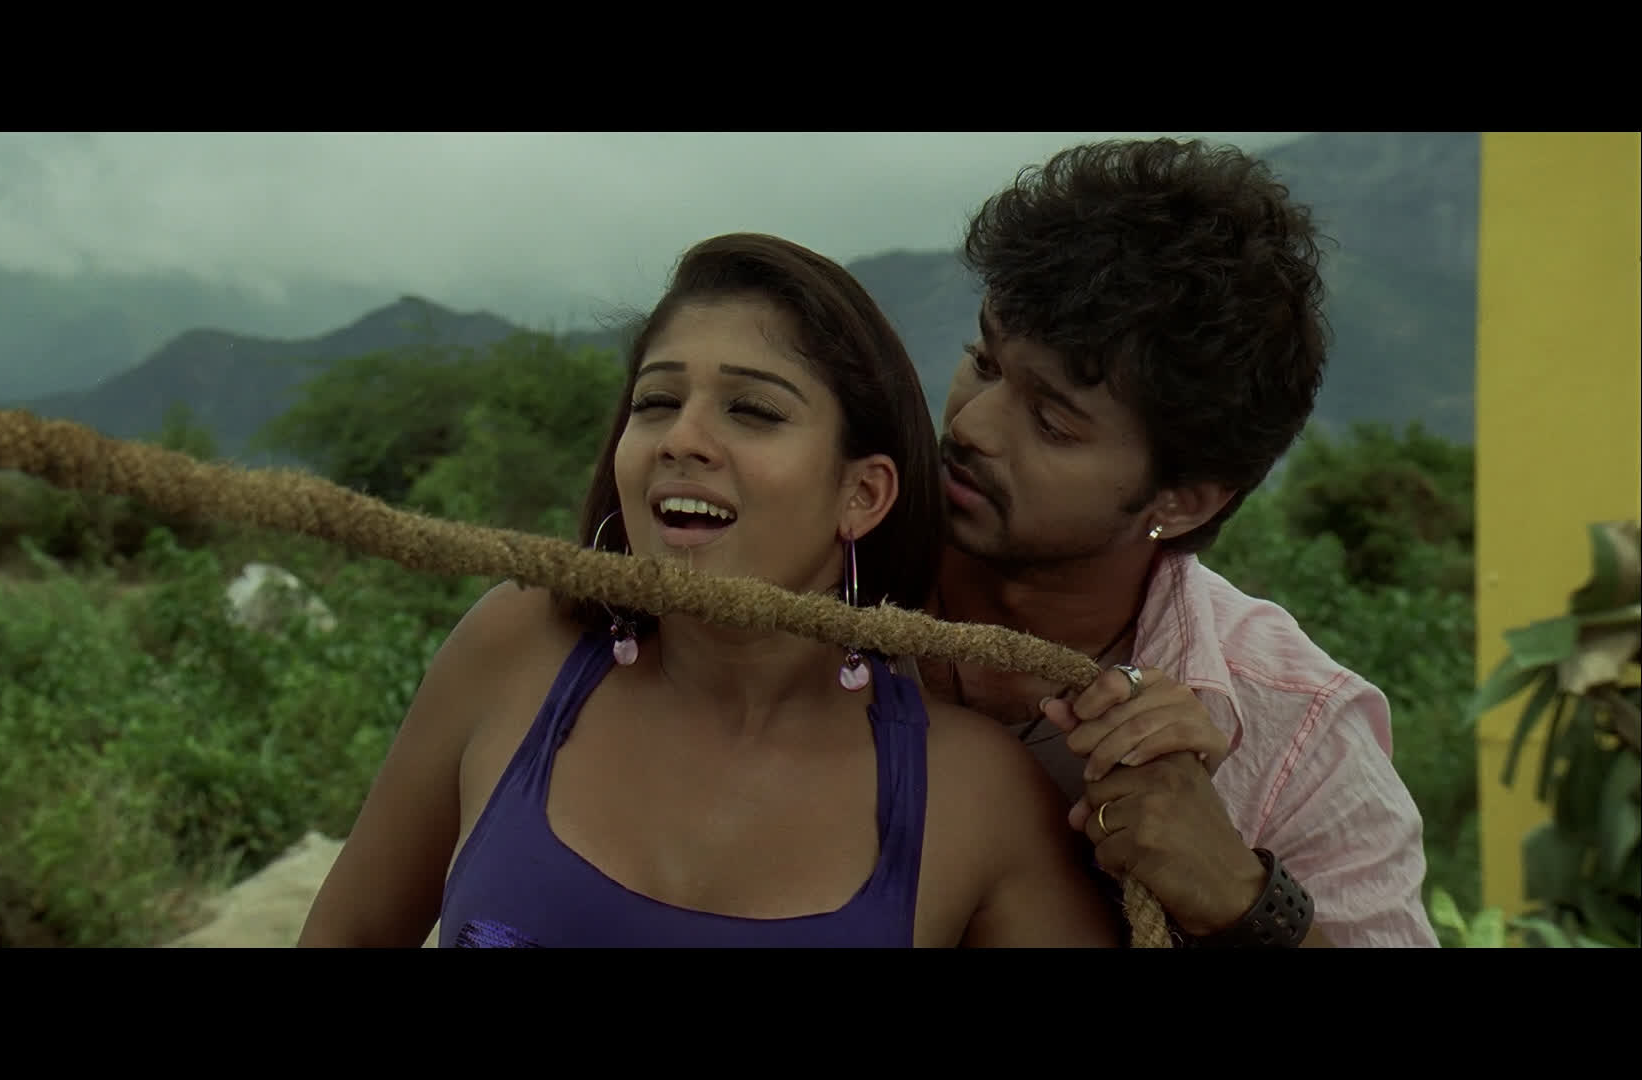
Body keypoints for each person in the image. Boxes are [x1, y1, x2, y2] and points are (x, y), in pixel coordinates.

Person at [297, 232, 1121, 948]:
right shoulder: (515, 651)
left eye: (752, 411)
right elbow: (349, 933)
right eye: (655, 402)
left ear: (862, 494)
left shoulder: (972, 797)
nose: (681, 439)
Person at [911, 137, 1440, 947]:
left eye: (1051, 422)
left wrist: (1238, 896)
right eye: (984, 362)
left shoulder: (1296, 731)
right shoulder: (813, 567)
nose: (972, 425)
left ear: (1182, 500)